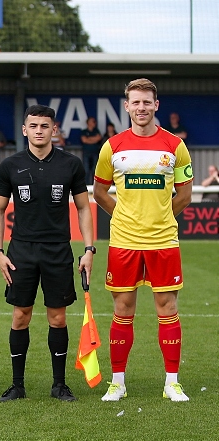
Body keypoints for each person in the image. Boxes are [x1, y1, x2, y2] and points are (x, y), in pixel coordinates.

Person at [93, 78, 194, 402]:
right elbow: (99, 191)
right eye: (135, 103)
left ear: (156, 105)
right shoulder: (112, 146)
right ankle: (118, 382)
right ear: (126, 107)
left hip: (163, 242)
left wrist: (163, 216)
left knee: (167, 308)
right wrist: (122, 214)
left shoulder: (175, 146)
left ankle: (172, 383)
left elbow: (186, 194)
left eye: (146, 102)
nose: (141, 108)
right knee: (123, 309)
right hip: (124, 242)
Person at [0, 104, 94, 403]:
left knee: (58, 318)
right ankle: (17, 385)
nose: (39, 131)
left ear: (54, 129)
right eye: (33, 126)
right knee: (20, 316)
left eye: (44, 126)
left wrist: (89, 249)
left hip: (58, 251)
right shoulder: (10, 165)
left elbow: (84, 207)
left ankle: (59, 385)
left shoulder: (70, 164)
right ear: (25, 130)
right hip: (21, 251)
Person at [80, 117, 102, 185]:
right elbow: (84, 140)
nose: (94, 123)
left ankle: (94, 185)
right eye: (93, 121)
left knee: (94, 170)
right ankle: (86, 185)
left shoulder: (96, 131)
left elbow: (99, 138)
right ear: (88, 123)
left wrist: (88, 139)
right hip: (86, 153)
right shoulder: (84, 131)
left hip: (94, 152)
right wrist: (93, 139)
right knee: (86, 170)